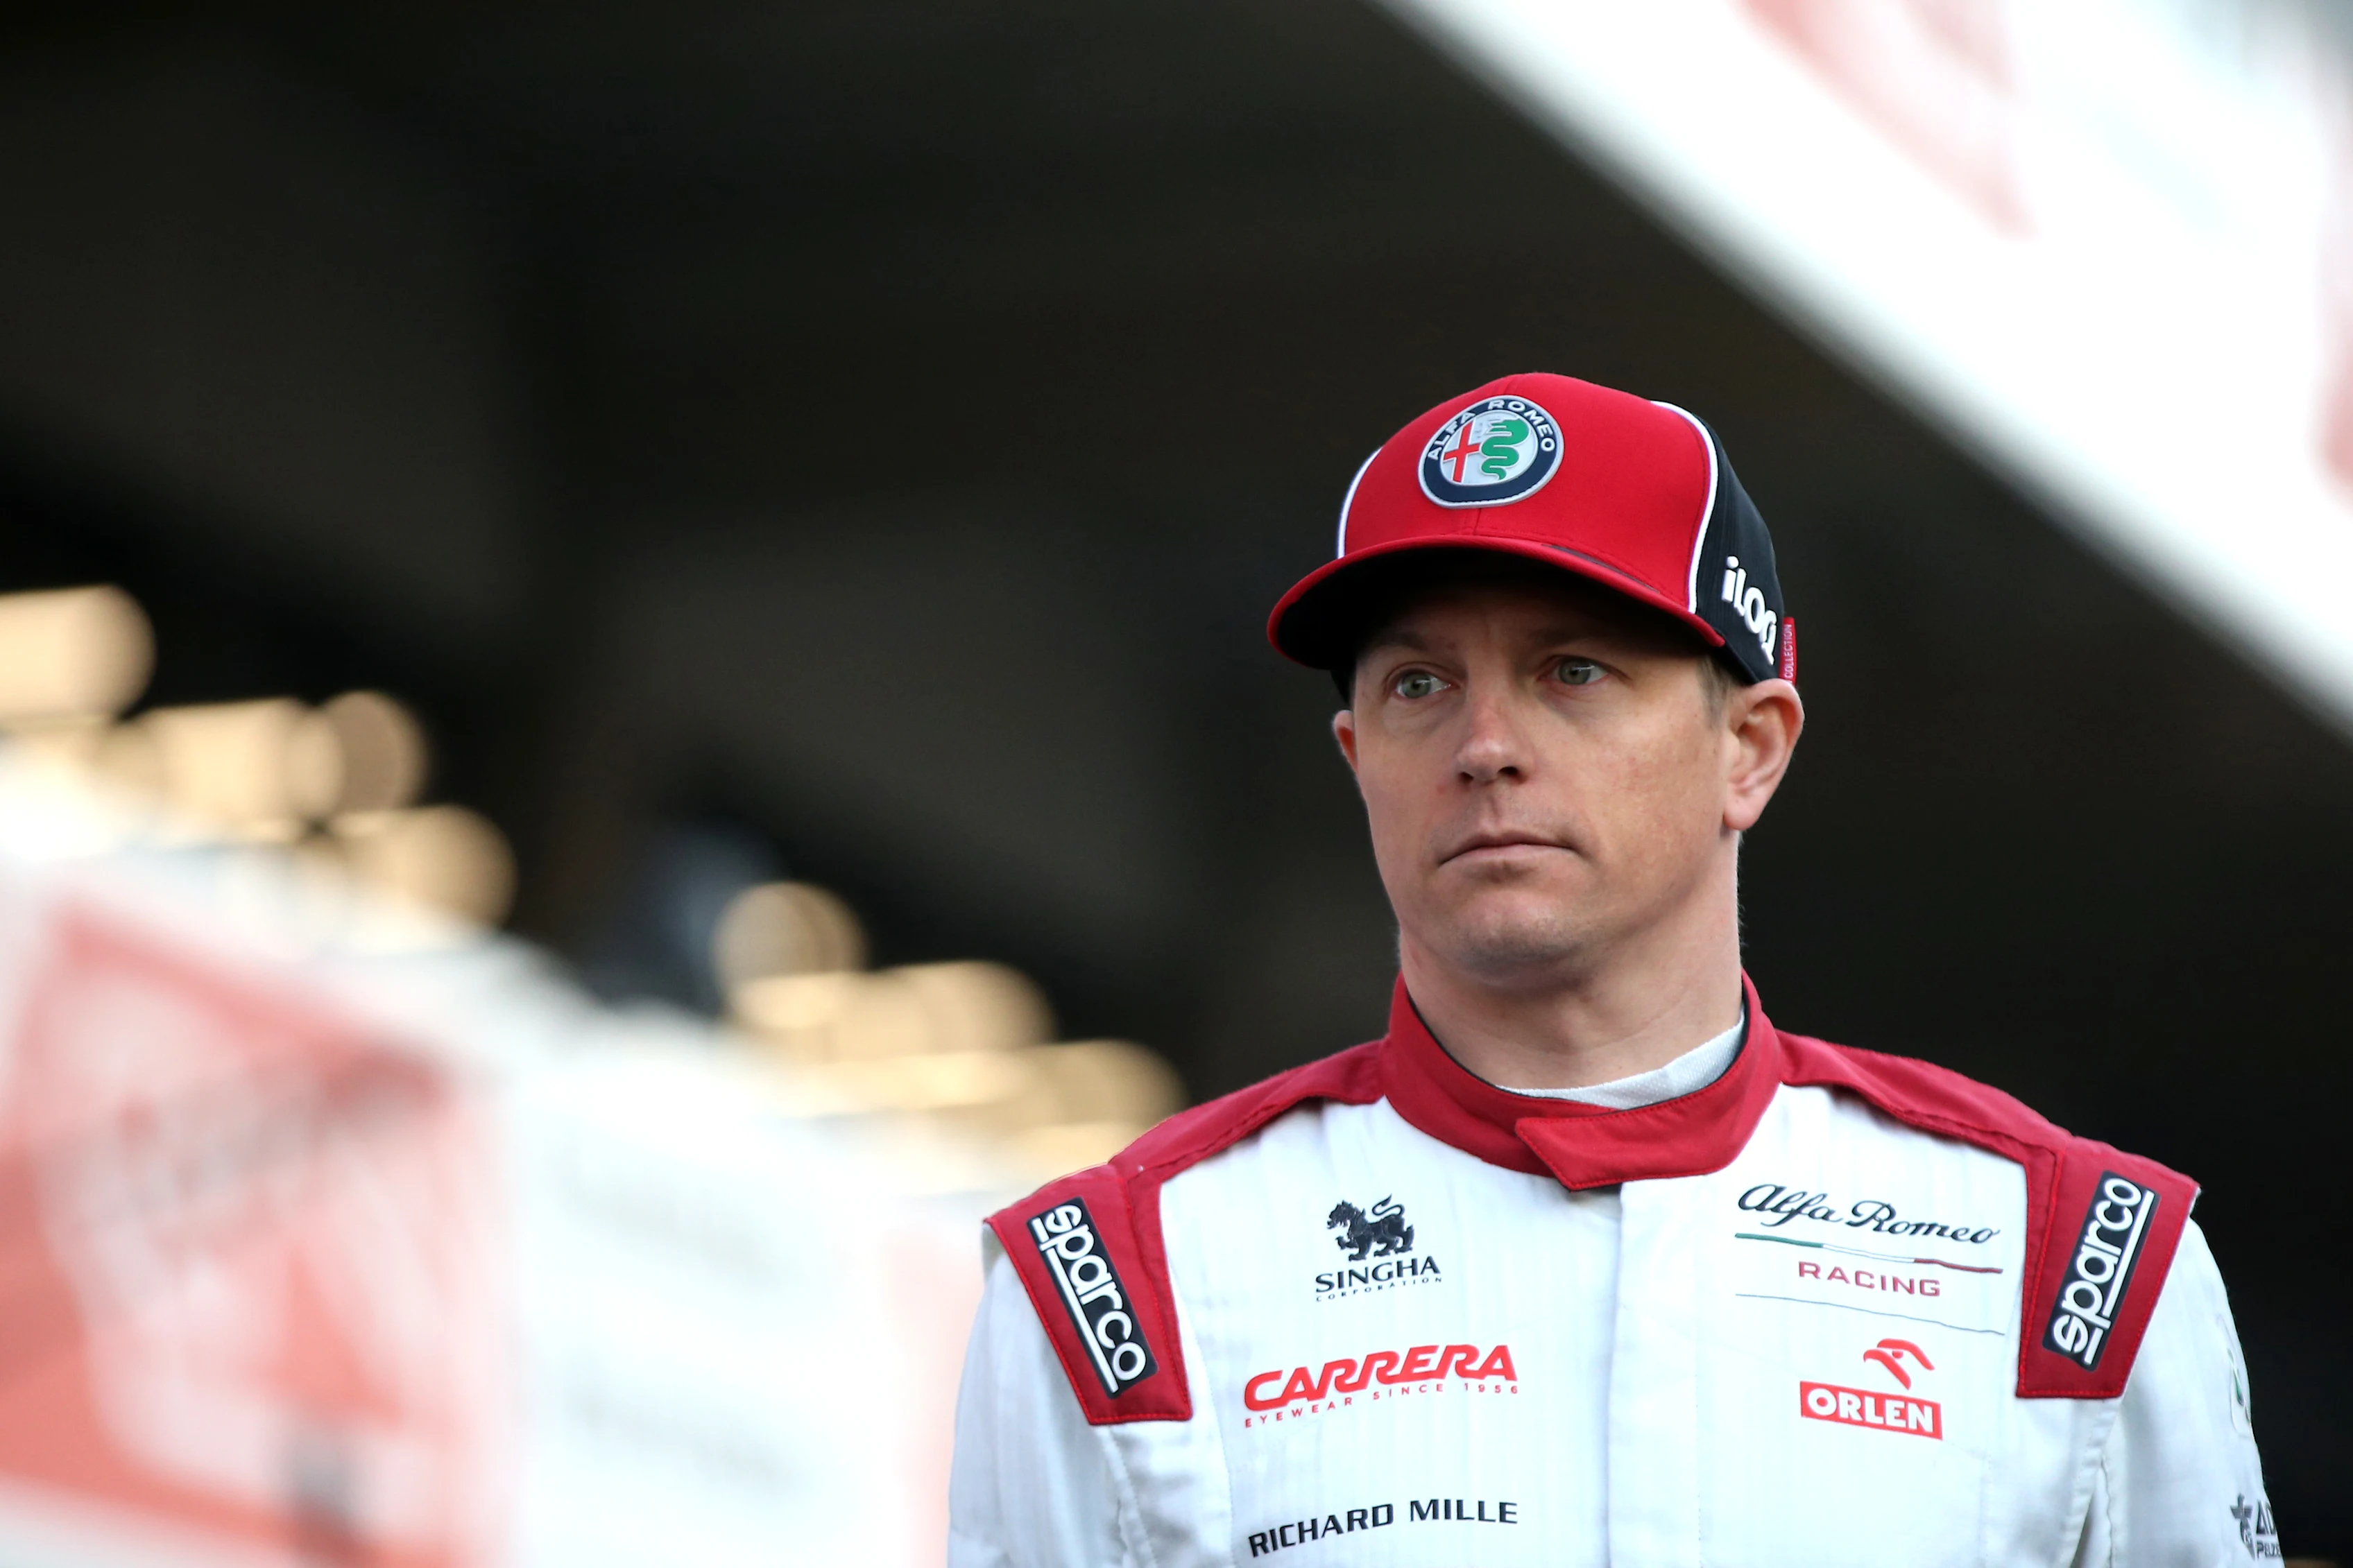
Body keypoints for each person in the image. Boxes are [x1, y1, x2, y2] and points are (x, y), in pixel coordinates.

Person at [947, 373, 2275, 1566]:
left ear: (1750, 749)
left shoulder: (2075, 1260)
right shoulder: (1115, 1276)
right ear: (1356, 758)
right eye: (1419, 684)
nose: (1485, 745)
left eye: (1571, 670)